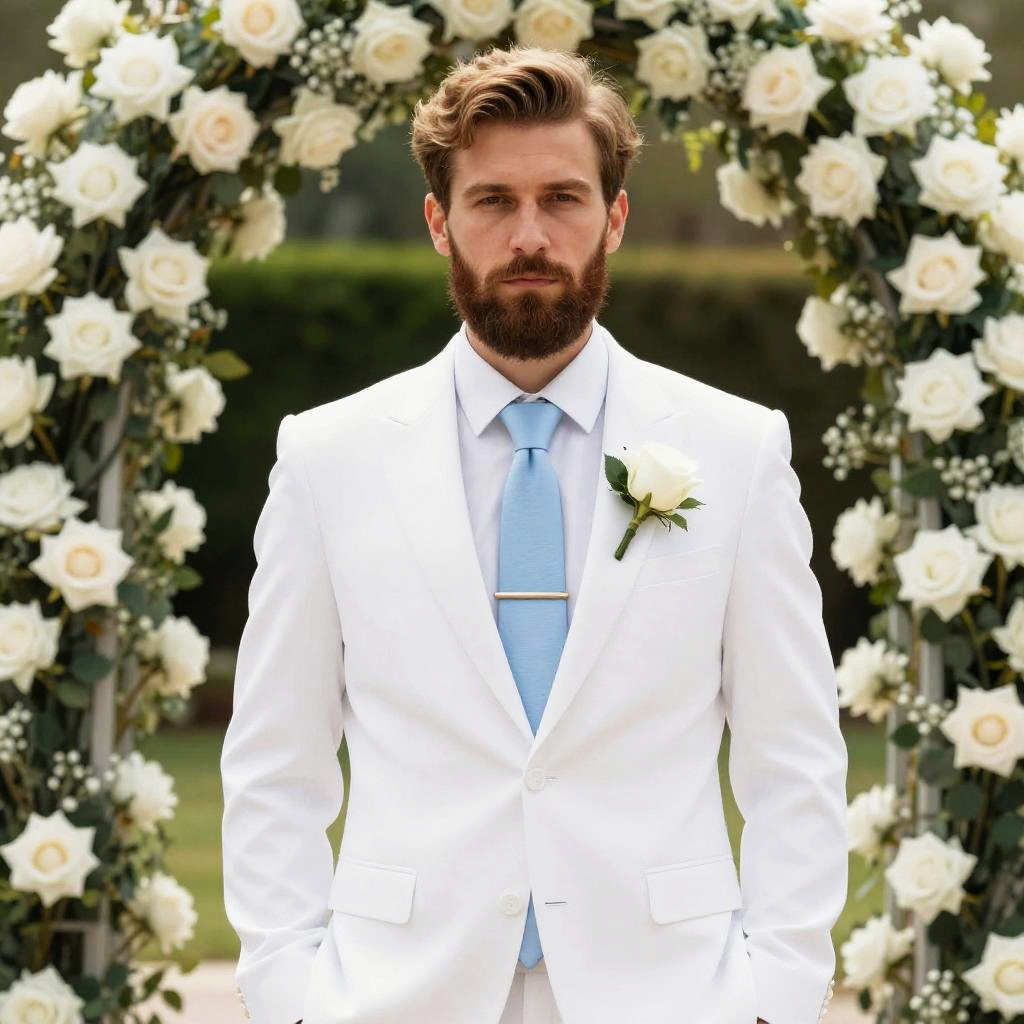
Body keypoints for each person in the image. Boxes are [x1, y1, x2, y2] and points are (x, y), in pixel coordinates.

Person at [220, 43, 848, 1024]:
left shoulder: (737, 450)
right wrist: (285, 993)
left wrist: (781, 996)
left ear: (615, 217)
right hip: (395, 992)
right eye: (491, 202)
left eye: (561, 198)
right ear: (439, 221)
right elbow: (276, 762)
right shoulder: (325, 457)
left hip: (671, 992)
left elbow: (792, 756)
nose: (529, 235)